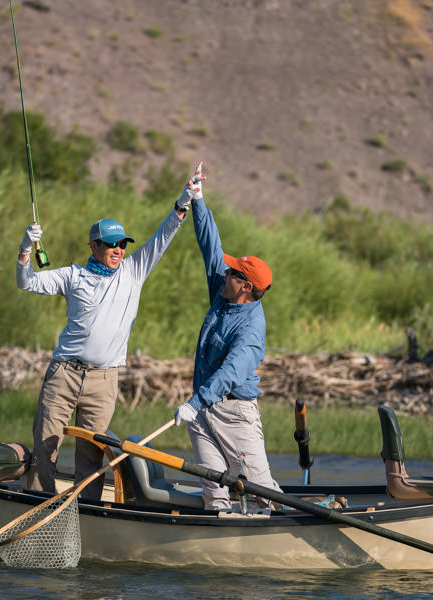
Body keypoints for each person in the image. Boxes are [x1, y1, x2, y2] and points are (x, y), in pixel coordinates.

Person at [16, 199, 187, 497]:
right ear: (94, 246)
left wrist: (181, 206)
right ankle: (36, 504)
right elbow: (26, 283)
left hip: (104, 380)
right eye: (111, 245)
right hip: (64, 374)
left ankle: (87, 513)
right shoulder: (72, 276)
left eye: (122, 244)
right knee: (46, 446)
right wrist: (25, 249)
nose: (118, 250)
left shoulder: (134, 271)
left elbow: (162, 238)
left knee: (92, 458)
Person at [172, 162, 283, 510]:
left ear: (246, 286)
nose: (225, 271)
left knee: (259, 488)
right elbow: (210, 245)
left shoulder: (251, 330)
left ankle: (283, 525)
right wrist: (198, 199)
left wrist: (194, 402)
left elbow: (232, 372)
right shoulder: (223, 291)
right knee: (214, 488)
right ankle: (218, 537)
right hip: (202, 410)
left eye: (232, 272)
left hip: (233, 413)